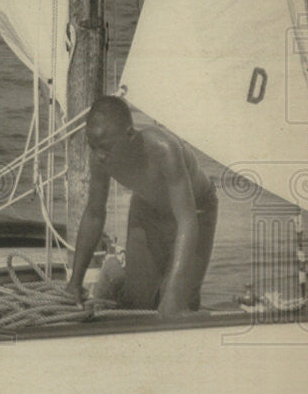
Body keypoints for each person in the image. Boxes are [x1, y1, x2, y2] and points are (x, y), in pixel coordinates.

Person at [65, 95, 218, 315]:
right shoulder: (100, 156)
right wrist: (75, 282)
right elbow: (94, 214)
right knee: (137, 300)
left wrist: (174, 293)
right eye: (93, 145)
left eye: (106, 147)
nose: (99, 155)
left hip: (197, 209)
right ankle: (115, 274)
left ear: (129, 135)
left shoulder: (164, 149)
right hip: (147, 208)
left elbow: (186, 220)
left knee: (177, 298)